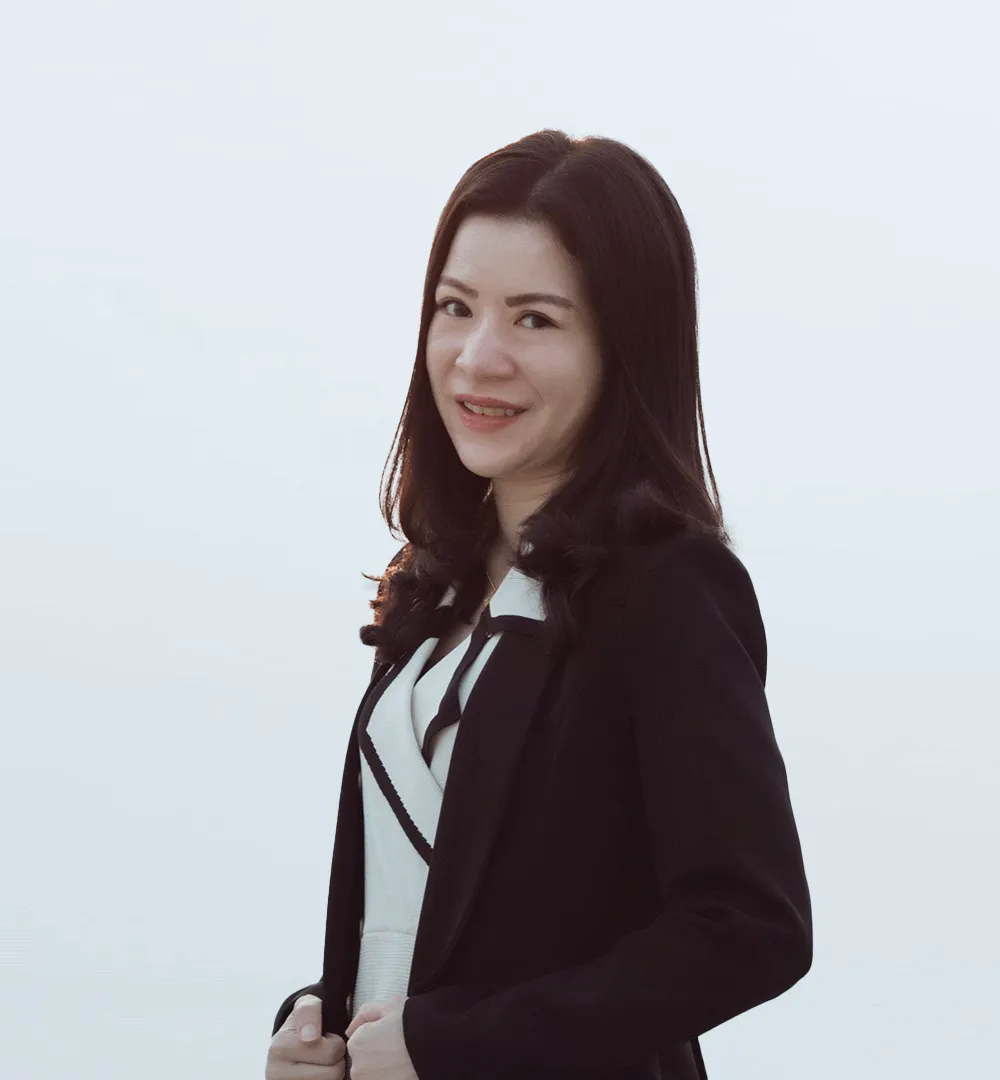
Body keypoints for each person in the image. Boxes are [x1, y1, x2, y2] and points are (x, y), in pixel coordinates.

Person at [264, 128, 812, 1080]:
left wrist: (455, 1044)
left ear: (623, 346)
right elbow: (430, 905)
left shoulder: (667, 585)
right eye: (456, 307)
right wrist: (322, 1025)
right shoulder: (437, 584)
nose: (477, 359)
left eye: (535, 320)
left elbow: (751, 926)